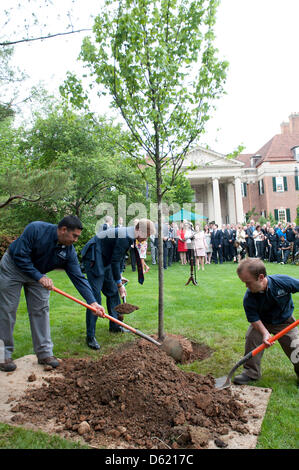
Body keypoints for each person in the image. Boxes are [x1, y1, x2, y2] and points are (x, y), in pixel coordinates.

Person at [0, 216, 104, 372]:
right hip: (13, 268)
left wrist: (93, 302)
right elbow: (20, 256)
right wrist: (39, 277)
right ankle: (3, 355)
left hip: (38, 274)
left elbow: (79, 278)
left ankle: (44, 353)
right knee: (7, 310)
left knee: (41, 310)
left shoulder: (68, 251)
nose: (76, 240)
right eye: (74, 236)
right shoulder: (36, 229)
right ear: (63, 230)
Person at [81, 219, 156, 350]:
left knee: (112, 293)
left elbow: (120, 258)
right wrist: (119, 285)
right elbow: (115, 261)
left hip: (106, 259)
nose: (145, 239)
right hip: (94, 256)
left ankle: (115, 326)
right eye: (146, 235)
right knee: (95, 298)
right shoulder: (125, 236)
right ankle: (90, 336)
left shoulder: (130, 235)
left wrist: (119, 276)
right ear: (139, 230)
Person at [233, 258, 299, 387]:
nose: (246, 286)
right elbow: (254, 319)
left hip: (285, 321)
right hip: (262, 322)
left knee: (296, 347)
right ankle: (251, 372)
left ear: (261, 277)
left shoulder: (282, 282)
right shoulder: (249, 297)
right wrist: (264, 333)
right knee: (251, 339)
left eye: (248, 282)